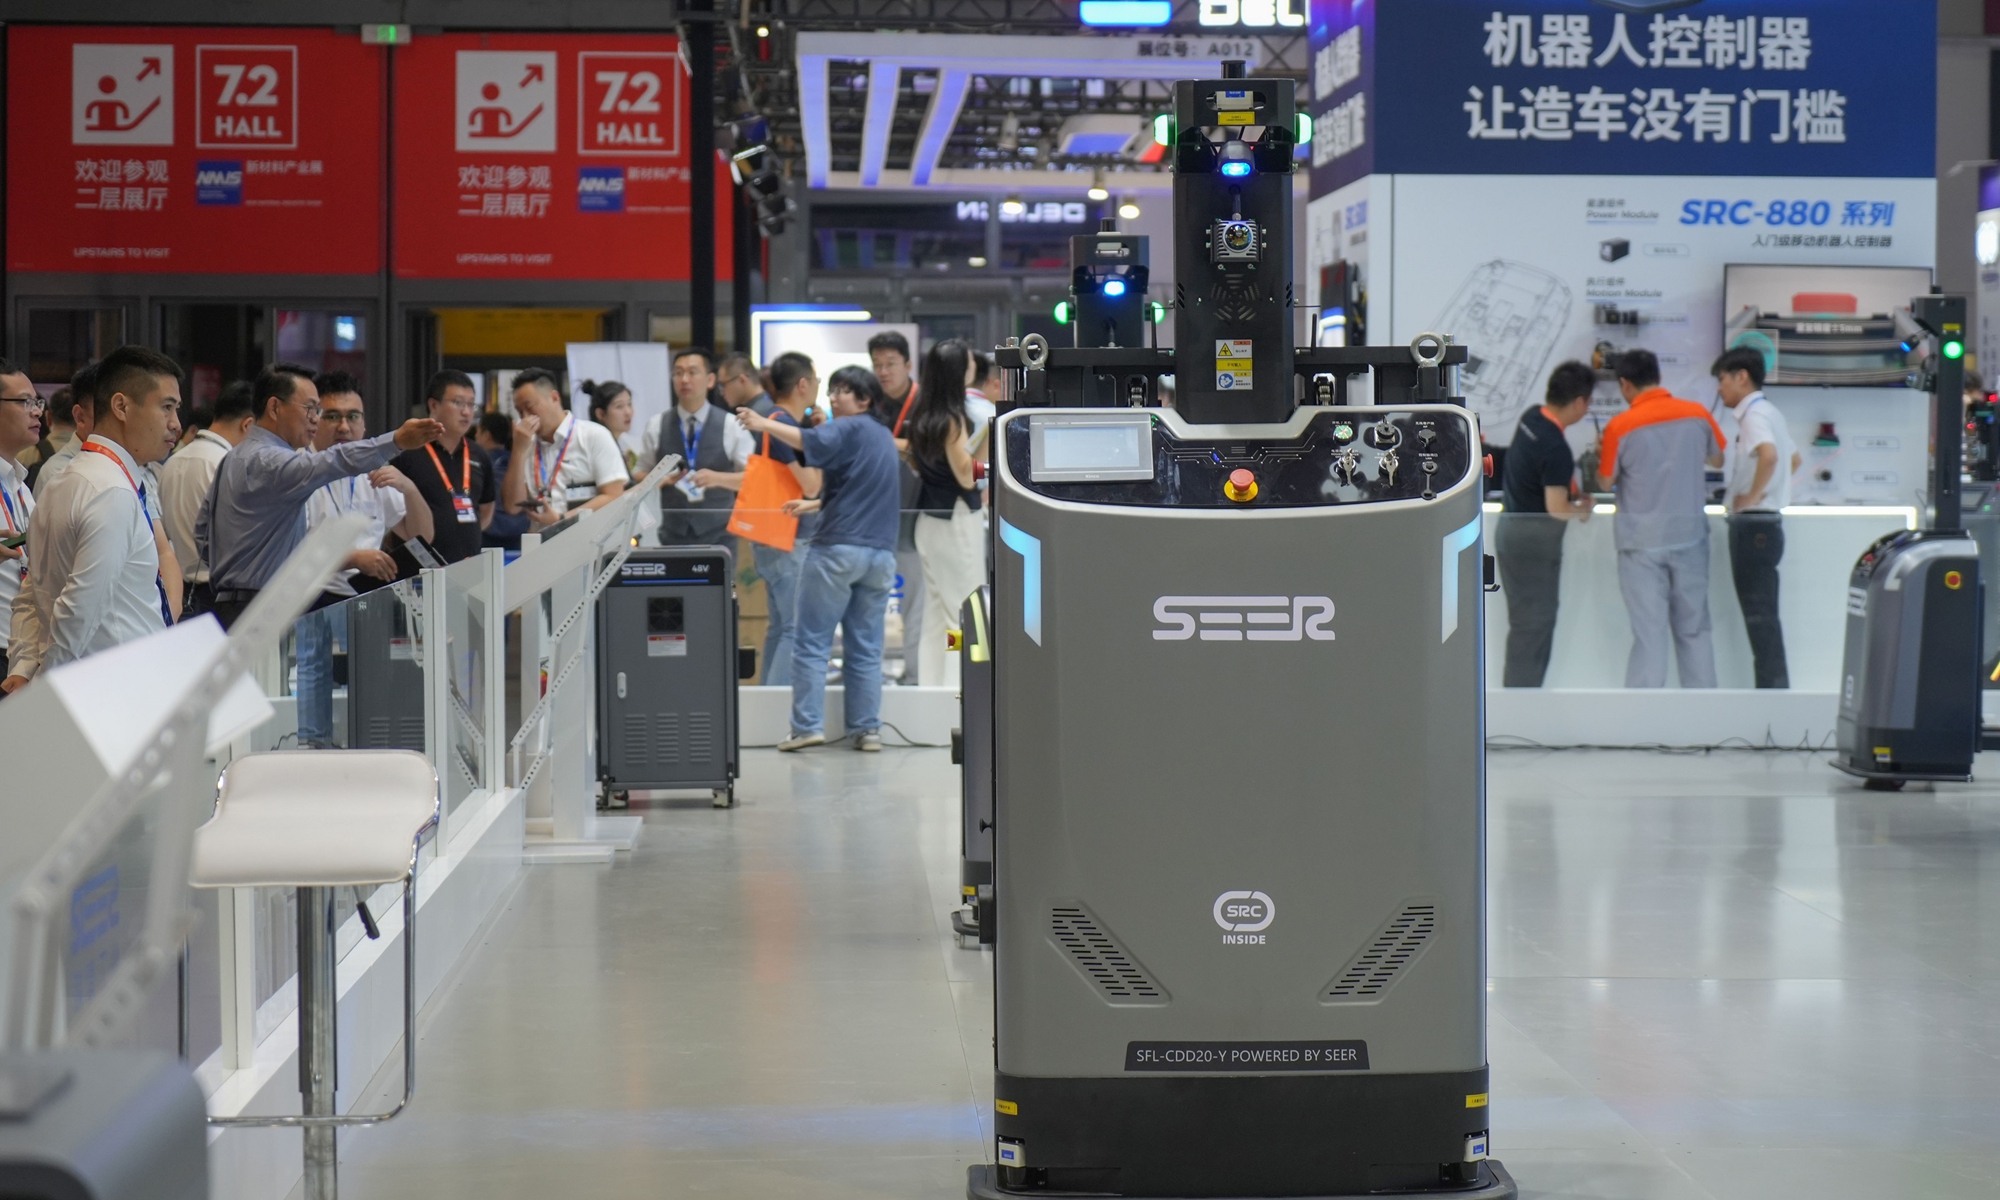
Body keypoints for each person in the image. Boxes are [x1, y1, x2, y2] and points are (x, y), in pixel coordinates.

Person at [197, 362, 443, 630]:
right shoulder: (274, 462)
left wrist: (237, 570)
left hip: (235, 603)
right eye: (311, 409)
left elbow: (203, 534)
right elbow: (333, 460)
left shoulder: (234, 456)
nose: (315, 418)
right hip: (261, 608)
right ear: (275, 408)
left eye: (318, 411)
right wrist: (395, 441)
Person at [737, 365, 901, 752]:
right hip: (880, 556)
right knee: (866, 648)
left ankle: (806, 726)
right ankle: (867, 730)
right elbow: (854, 490)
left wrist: (763, 422)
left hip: (836, 551)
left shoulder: (848, 427)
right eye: (833, 390)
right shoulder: (881, 436)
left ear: (864, 400)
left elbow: (805, 439)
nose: (833, 397)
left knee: (810, 641)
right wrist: (813, 504)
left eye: (843, 391)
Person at [3, 347, 183, 693]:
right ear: (121, 407)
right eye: (166, 407)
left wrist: (24, 666)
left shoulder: (65, 482)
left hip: (99, 685)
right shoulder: (111, 490)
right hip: (116, 690)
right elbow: (78, 609)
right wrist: (44, 690)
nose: (175, 422)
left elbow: (32, 593)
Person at [295, 383, 434, 747]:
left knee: (374, 677)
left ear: (364, 424)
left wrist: (409, 489)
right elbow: (293, 550)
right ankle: (313, 748)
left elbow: (421, 537)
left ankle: (370, 746)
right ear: (315, 421)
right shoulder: (300, 470)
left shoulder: (376, 472)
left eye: (352, 416)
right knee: (314, 671)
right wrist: (355, 558)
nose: (344, 426)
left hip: (369, 596)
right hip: (316, 592)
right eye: (333, 416)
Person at [681, 351, 824, 685]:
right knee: (794, 628)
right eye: (816, 380)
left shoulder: (772, 420)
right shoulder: (783, 425)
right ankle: (777, 702)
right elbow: (812, 485)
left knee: (781, 626)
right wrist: (819, 443)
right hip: (789, 537)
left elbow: (758, 478)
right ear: (803, 385)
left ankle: (768, 699)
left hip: (771, 537)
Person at [1596, 349, 1725, 689]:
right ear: (1659, 377)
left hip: (1641, 542)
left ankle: (1644, 715)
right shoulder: (1697, 414)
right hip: (1690, 536)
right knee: (1694, 630)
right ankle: (1704, 711)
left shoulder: (1619, 427)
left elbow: (1605, 482)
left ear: (1625, 384)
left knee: (1649, 635)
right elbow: (1718, 459)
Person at [1496, 361, 1597, 688]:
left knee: (1525, 624)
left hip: (1510, 532)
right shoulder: (1555, 448)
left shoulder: (1531, 418)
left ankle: (1521, 697)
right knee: (1534, 625)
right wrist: (1581, 510)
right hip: (1534, 547)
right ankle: (1523, 701)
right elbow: (1556, 509)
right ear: (1579, 402)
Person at [1714, 346, 1799, 689]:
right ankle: (1773, 692)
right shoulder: (1770, 412)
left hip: (1753, 525)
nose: (1719, 388)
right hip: (1768, 524)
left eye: (1722, 380)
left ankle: (1771, 696)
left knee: (1760, 621)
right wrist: (1771, 491)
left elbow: (1771, 456)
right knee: (1765, 620)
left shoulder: (1754, 416)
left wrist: (1752, 496)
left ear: (1741, 377)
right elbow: (1794, 460)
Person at [907, 339, 986, 689]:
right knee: (964, 614)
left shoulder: (923, 415)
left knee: (937, 616)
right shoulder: (954, 420)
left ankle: (934, 691)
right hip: (956, 520)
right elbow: (967, 475)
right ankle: (963, 693)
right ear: (958, 371)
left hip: (930, 520)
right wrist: (988, 438)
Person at [159, 379, 257, 617]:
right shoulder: (229, 465)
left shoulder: (172, 462)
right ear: (248, 425)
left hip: (181, 591)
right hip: (223, 596)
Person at [637, 348, 754, 548]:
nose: (684, 380)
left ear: (710, 380)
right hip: (671, 535)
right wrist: (658, 479)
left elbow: (753, 479)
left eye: (692, 372)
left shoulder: (731, 425)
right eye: (678, 373)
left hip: (720, 536)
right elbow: (639, 472)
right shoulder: (656, 425)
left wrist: (717, 479)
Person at [390, 369, 495, 564]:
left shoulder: (479, 455)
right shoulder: (406, 452)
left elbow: (487, 507)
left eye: (471, 404)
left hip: (469, 566)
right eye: (458, 403)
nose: (466, 412)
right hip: (419, 567)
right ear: (434, 405)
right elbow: (390, 512)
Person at [502, 367, 627, 527]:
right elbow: (512, 507)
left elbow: (613, 496)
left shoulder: (593, 436)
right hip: (543, 539)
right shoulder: (526, 445)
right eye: (520, 411)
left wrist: (561, 519)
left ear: (554, 397)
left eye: (529, 407)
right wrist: (518, 452)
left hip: (590, 537)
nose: (525, 417)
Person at [869, 332, 925, 679]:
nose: (884, 371)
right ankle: (869, 673)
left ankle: (915, 675)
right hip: (875, 518)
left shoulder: (923, 403)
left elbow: (929, 449)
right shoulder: (872, 403)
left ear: (908, 364)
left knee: (916, 603)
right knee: (871, 603)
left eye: (891, 364)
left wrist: (884, 442)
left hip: (915, 517)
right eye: (877, 365)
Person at [0, 361, 42, 682]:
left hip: (20, 652)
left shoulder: (20, 485)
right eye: (25, 402)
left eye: (37, 402)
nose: (37, 411)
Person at [30, 364, 98, 497]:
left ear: (48, 417)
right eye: (103, 412)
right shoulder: (58, 472)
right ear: (79, 416)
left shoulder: (27, 454)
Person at [477, 412, 531, 552]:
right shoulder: (519, 462)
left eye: (477, 432)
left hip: (488, 535)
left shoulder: (478, 463)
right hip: (520, 532)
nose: (475, 437)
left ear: (486, 435)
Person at [717, 352, 776, 416]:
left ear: (742, 380)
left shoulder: (757, 415)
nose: (722, 393)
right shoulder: (767, 404)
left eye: (723, 385)